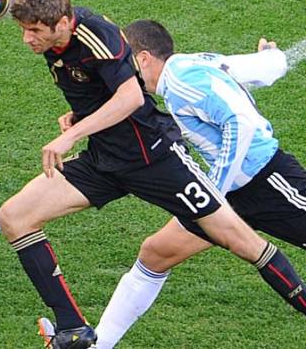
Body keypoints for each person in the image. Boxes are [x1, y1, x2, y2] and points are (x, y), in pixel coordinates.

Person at [0, 0, 306, 349]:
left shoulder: (171, 74)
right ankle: (79, 334)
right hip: (109, 162)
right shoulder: (62, 45)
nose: (27, 39)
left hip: (246, 178)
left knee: (248, 246)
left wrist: (217, 192)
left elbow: (136, 100)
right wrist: (270, 58)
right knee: (147, 252)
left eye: (33, 31)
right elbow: (244, 69)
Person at [94, 20, 306, 348]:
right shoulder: (192, 65)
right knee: (156, 253)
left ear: (145, 58)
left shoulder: (181, 83)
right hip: (231, 193)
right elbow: (265, 67)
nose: (123, 73)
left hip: (269, 181)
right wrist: (272, 55)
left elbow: (241, 124)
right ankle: (98, 345)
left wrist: (214, 195)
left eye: (126, 62)